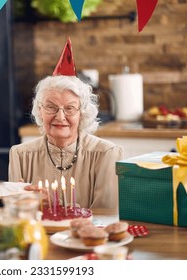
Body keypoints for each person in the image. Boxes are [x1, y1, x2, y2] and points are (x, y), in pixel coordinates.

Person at [8, 38, 123, 209]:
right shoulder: (20, 155)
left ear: (82, 113)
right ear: (39, 110)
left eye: (69, 108)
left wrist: (51, 207)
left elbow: (105, 216)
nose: (60, 117)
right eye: (51, 107)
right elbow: (15, 216)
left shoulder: (106, 154)